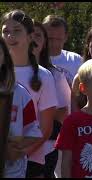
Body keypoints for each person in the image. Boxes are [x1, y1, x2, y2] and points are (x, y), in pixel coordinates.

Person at [1, 10, 58, 178]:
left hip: (31, 163)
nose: (10, 36)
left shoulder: (44, 76)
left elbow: (45, 129)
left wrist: (20, 154)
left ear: (30, 36)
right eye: (5, 31)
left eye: (17, 30)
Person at [32, 20, 71, 178]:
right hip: (12, 148)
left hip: (46, 148)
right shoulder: (7, 74)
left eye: (38, 36)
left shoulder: (54, 75)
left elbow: (64, 113)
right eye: (29, 34)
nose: (32, 40)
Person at [0, 37, 42, 178]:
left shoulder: (19, 93)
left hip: (12, 171)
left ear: (5, 58)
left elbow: (33, 133)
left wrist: (17, 150)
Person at [42, 14, 82, 85]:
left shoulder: (76, 60)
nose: (54, 43)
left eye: (58, 39)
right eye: (50, 39)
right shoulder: (32, 60)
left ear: (66, 37)